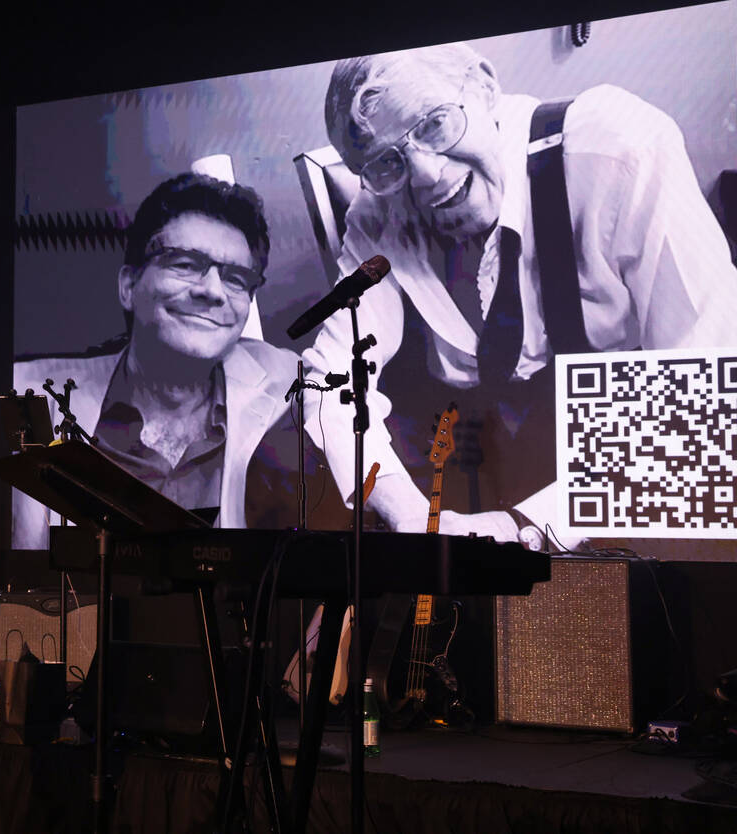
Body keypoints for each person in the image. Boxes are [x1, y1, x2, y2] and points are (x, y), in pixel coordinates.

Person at [302, 42, 737, 545]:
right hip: (473, 458)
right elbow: (328, 382)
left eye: (434, 123)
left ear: (484, 87)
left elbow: (707, 400)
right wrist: (408, 513)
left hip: (633, 448)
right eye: (386, 162)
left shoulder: (619, 148)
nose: (427, 174)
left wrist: (523, 525)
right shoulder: (376, 215)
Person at [13, 172, 342, 548]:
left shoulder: (291, 381)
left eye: (236, 278)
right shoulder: (32, 396)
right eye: (185, 264)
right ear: (128, 286)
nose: (212, 291)